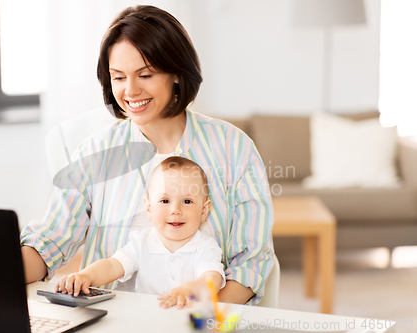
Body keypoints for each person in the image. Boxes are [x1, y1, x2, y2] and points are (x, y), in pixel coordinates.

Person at [20, 5, 274, 305]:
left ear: (176, 74)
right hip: (108, 320)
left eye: (145, 74)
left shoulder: (233, 148)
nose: (130, 91)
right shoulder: (95, 153)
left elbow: (250, 266)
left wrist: (198, 323)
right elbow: (50, 241)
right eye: (118, 77)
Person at [56, 157, 225, 309]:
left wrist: (188, 289)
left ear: (204, 210)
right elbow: (113, 265)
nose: (175, 210)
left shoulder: (206, 246)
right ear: (149, 208)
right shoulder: (142, 242)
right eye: (165, 201)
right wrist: (86, 276)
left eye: (187, 201)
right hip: (145, 319)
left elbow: (210, 280)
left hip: (187, 321)